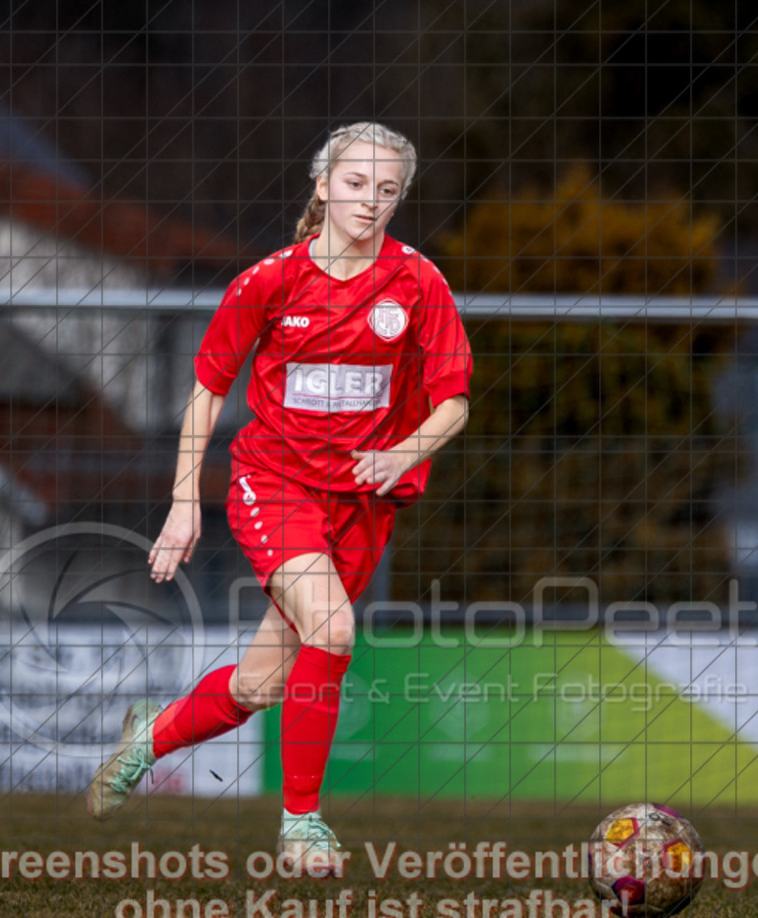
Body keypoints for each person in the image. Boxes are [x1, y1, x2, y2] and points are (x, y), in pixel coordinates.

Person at [86, 121, 472, 877]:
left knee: (262, 684)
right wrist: (184, 503)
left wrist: (402, 452)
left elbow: (454, 402)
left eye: (387, 191)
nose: (371, 202)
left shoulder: (418, 282)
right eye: (356, 184)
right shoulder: (268, 281)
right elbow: (205, 392)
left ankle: (146, 739)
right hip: (275, 481)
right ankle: (302, 828)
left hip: (361, 502)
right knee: (332, 627)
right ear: (323, 185)